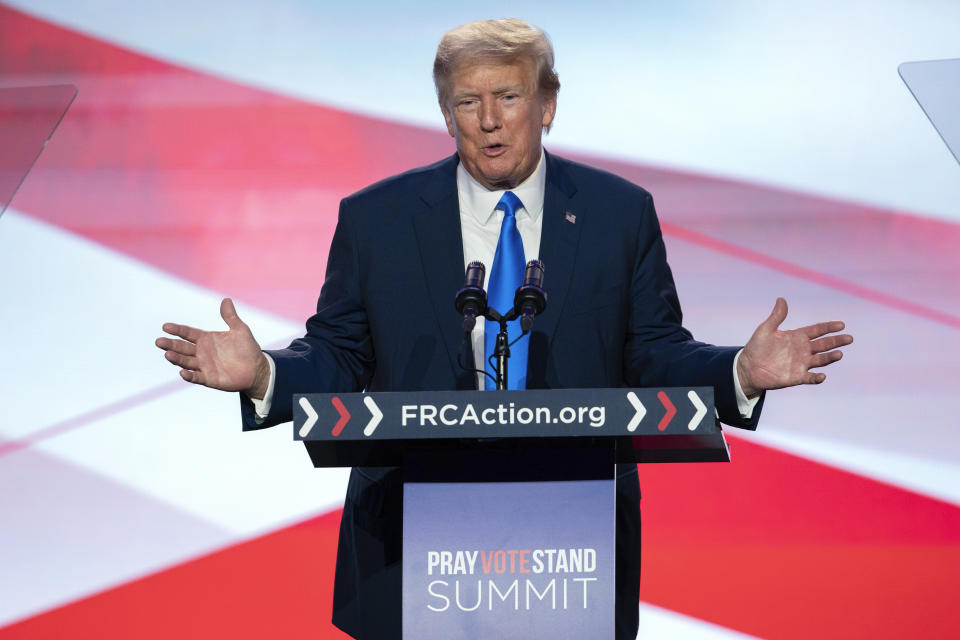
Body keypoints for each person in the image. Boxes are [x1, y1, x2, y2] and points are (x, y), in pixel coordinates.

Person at [155, 18, 852, 640]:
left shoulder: (618, 213)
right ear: (446, 113)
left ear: (547, 103)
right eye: (467, 102)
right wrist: (266, 375)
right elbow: (339, 352)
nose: (489, 121)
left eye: (509, 98)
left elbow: (654, 353)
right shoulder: (378, 219)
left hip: (570, 546)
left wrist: (738, 374)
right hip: (410, 543)